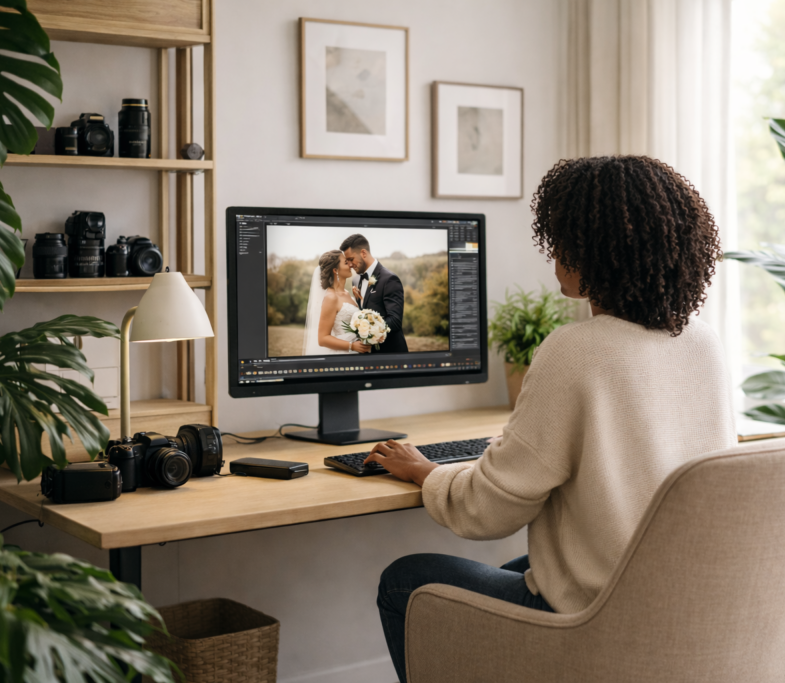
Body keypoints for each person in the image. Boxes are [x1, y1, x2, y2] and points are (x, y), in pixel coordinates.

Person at [368, 155, 738, 683]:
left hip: (601, 618)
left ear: (595, 252)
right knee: (521, 568)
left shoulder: (575, 351)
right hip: (675, 604)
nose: (555, 255)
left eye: (563, 240)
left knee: (405, 580)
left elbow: (489, 512)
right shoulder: (703, 342)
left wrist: (427, 472)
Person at [340, 233, 409, 353]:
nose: (350, 265)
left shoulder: (390, 279)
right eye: (347, 261)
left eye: (351, 259)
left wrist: (367, 330)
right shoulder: (356, 280)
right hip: (366, 354)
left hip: (390, 353)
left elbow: (395, 321)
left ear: (363, 253)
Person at [301, 250, 373, 356]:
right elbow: (322, 339)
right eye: (346, 262)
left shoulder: (347, 293)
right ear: (335, 270)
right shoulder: (331, 297)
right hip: (344, 354)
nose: (350, 264)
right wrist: (352, 346)